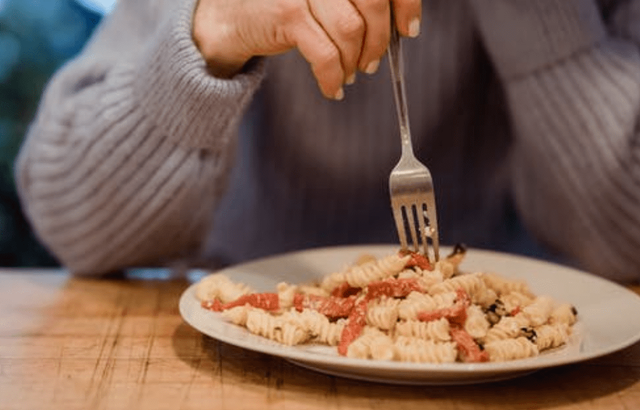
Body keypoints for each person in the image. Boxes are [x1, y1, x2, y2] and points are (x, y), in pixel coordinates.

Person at [14, 0, 640, 282]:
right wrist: (211, 30)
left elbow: (629, 242)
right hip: (233, 348)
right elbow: (75, 225)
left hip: (519, 368)